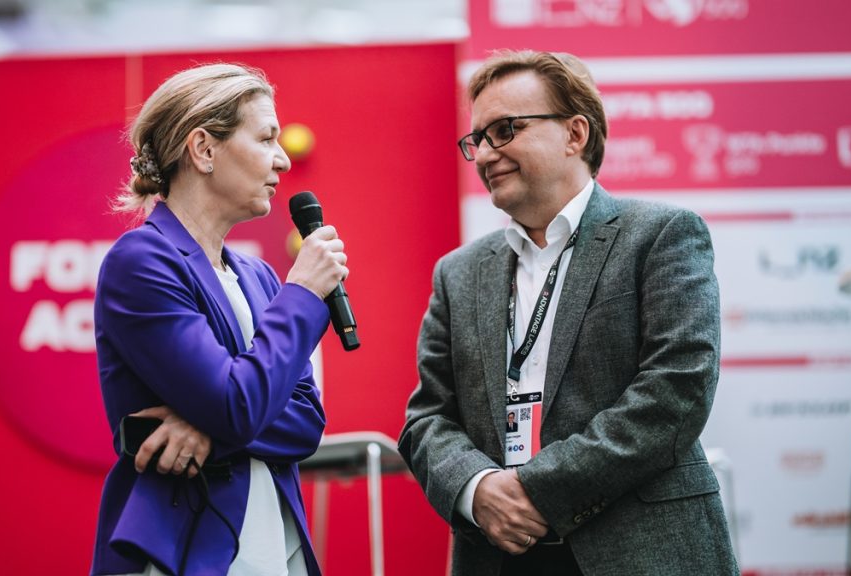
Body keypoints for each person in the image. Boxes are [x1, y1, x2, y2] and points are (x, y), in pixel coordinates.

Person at [398, 50, 739, 576]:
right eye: (478, 140)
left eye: (506, 130)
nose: (486, 154)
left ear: (574, 133)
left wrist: (535, 489)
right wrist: (479, 488)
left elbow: (678, 389)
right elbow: (427, 420)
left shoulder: (661, 235)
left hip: (639, 551)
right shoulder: (458, 273)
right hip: (499, 554)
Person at [91, 63, 347, 576]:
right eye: (266, 137)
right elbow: (234, 405)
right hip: (183, 552)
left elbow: (306, 424)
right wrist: (301, 293)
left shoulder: (258, 275)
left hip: (274, 546)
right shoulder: (141, 261)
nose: (281, 159)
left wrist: (204, 427)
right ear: (204, 148)